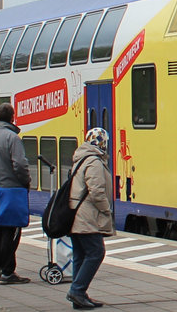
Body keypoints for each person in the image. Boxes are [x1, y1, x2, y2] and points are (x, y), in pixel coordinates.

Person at [67, 127, 115, 310]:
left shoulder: (80, 158)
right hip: (87, 216)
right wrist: (106, 210)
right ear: (103, 142)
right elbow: (96, 191)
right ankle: (77, 291)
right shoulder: (94, 161)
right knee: (96, 253)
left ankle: (79, 294)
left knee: (81, 254)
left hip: (76, 215)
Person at [0, 103, 31, 284]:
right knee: (10, 232)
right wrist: (25, 182)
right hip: (10, 191)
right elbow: (20, 164)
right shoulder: (12, 138)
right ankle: (7, 271)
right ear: (12, 117)